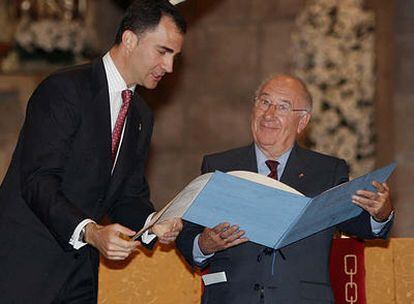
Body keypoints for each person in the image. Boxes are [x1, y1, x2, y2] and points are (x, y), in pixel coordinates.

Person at [0, 0, 186, 303]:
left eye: (175, 56)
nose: (170, 67)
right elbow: (38, 180)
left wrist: (154, 223)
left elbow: (128, 195)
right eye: (163, 52)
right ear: (129, 40)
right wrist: (91, 232)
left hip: (81, 273)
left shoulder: (141, 114)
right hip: (25, 265)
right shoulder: (64, 89)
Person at [176, 75, 394, 304]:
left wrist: (381, 213)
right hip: (231, 297)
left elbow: (358, 223)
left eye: (283, 107)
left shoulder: (327, 171)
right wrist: (204, 244)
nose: (269, 114)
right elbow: (188, 234)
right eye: (264, 102)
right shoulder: (219, 167)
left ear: (302, 121)